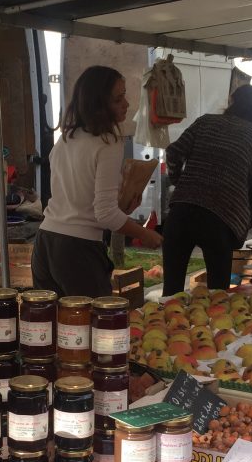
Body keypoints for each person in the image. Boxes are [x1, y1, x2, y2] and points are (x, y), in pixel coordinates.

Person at [32, 65, 162, 298]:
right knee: (99, 328)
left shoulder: (66, 139)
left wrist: (121, 209)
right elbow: (105, 214)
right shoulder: (108, 142)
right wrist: (145, 234)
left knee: (55, 326)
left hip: (46, 242)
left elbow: (80, 199)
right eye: (118, 99)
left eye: (124, 96)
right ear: (99, 104)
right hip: (77, 250)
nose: (126, 104)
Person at [161, 85, 252, 294]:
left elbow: (174, 152)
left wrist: (181, 184)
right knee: (217, 297)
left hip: (181, 214)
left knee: (171, 293)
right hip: (221, 223)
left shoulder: (206, 122)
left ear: (231, 102)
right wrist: (244, 219)